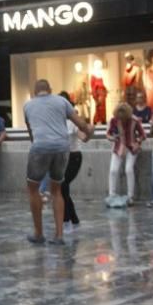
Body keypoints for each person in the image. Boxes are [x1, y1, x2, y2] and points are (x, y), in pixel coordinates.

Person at [24, 80, 93, 245]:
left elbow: (31, 132)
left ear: (34, 91)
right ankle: (59, 235)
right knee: (57, 190)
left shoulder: (27, 106)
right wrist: (88, 132)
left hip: (40, 148)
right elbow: (81, 124)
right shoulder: (62, 101)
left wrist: (37, 144)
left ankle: (39, 233)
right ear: (50, 90)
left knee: (33, 188)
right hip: (62, 148)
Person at [59, 92, 88, 231]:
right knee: (62, 187)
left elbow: (83, 136)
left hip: (74, 157)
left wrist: (89, 131)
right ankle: (73, 218)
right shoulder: (57, 120)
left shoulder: (73, 120)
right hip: (62, 157)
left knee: (63, 184)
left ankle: (67, 219)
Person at [106, 102, 145, 203]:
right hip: (118, 147)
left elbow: (143, 135)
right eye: (119, 118)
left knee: (129, 169)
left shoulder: (134, 120)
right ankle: (112, 194)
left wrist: (138, 142)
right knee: (113, 170)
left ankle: (130, 196)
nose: (121, 120)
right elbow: (108, 134)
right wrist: (112, 138)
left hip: (132, 148)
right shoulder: (114, 120)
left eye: (123, 118)